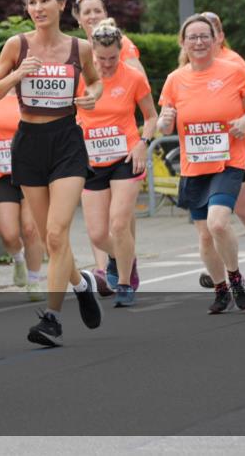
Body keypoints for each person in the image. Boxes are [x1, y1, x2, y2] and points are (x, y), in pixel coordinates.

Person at [0, 0, 104, 347]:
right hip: (29, 144)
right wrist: (19, 73)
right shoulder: (16, 45)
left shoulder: (79, 48)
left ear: (62, 4)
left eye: (45, 1)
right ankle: (81, 284)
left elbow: (97, 82)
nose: (38, 9)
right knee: (50, 240)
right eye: (32, 3)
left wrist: (91, 97)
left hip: (67, 141)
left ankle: (52, 319)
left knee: (55, 232)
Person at [158, 14, 245, 314]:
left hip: (228, 160)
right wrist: (164, 120)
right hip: (194, 166)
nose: (199, 42)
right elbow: (165, 126)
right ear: (183, 42)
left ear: (215, 38)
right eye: (192, 37)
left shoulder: (233, 71)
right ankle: (220, 289)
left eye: (204, 36)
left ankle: (235, 277)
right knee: (204, 235)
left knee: (217, 222)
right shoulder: (174, 80)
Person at [77, 19, 158, 307]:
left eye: (112, 58)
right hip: (91, 160)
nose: (107, 64)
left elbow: (150, 117)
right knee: (98, 234)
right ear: (92, 54)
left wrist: (142, 143)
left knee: (120, 224)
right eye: (101, 58)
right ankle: (122, 256)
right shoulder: (79, 78)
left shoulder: (133, 77)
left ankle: (124, 282)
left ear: (120, 52)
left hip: (125, 158)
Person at [191, 11, 245, 290]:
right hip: (203, 154)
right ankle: (219, 268)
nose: (203, 40)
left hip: (239, 146)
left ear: (220, 36)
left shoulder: (234, 63)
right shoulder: (189, 65)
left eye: (210, 32)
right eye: (197, 34)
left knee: (240, 207)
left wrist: (244, 120)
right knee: (213, 220)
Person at [72, 0, 145, 285]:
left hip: (123, 145)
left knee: (121, 218)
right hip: (91, 149)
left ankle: (122, 266)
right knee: (99, 223)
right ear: (77, 18)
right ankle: (107, 267)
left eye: (97, 11)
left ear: (105, 13)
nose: (92, 16)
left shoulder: (122, 44)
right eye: (86, 12)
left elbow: (137, 84)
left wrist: (142, 139)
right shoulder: (75, 50)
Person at [0, 89, 47, 301]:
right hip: (2, 173)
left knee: (30, 228)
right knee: (8, 234)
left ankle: (34, 281)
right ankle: (18, 259)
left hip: (33, 171)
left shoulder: (35, 91)